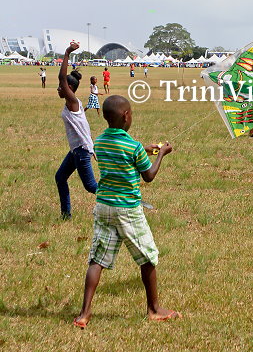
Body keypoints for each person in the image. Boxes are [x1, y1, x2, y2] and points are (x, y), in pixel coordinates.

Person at [73, 95, 181, 328]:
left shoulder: (100, 142)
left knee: (97, 259)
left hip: (104, 206)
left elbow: (121, 155)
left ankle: (84, 313)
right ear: (126, 116)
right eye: (130, 113)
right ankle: (154, 309)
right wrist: (161, 153)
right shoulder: (133, 146)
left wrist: (145, 150)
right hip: (128, 209)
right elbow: (148, 176)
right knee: (148, 257)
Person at [55, 42, 98, 219]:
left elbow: (61, 77)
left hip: (81, 150)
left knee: (91, 186)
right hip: (76, 150)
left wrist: (67, 53)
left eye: (61, 87)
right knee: (60, 177)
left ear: (69, 89)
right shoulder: (72, 103)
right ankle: (66, 215)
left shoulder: (73, 102)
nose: (58, 89)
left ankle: (122, 198)